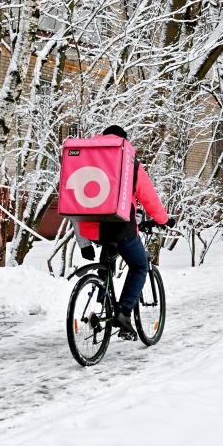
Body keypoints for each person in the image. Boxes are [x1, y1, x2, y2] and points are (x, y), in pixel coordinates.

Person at [72, 125, 175, 339]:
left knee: (107, 258)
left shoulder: (87, 160)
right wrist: (163, 220)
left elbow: (74, 201)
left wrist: (83, 242)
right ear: (123, 142)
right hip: (120, 228)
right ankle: (124, 313)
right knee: (139, 266)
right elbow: (149, 197)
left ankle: (103, 301)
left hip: (92, 229)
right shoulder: (129, 163)